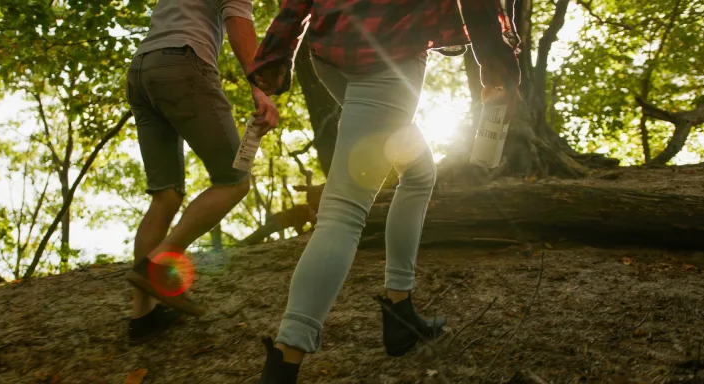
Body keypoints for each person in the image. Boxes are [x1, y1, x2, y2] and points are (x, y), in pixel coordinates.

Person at [247, 0, 521, 382]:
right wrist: (495, 57)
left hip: (330, 50)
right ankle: (284, 361)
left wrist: (275, 53)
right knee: (343, 212)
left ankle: (400, 314)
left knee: (419, 173)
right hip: (390, 52)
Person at [123, 0, 279, 345]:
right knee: (235, 180)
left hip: (141, 70)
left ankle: (142, 317)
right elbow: (238, 22)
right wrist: (260, 87)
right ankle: (157, 265)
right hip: (184, 65)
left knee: (166, 194)